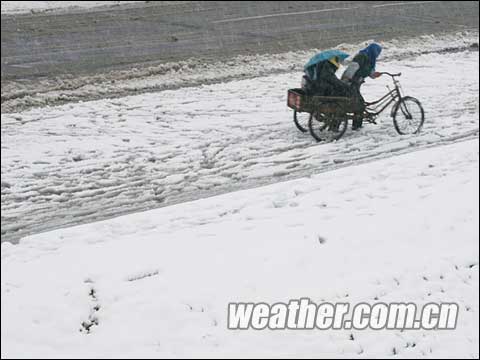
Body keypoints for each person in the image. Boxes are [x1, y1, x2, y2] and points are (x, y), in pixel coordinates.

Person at [341, 43, 383, 129]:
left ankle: (356, 125)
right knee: (359, 105)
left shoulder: (369, 59)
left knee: (357, 103)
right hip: (351, 84)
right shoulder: (361, 57)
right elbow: (352, 68)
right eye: (377, 52)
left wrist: (374, 75)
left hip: (355, 84)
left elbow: (367, 71)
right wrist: (346, 81)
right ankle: (356, 126)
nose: (377, 54)